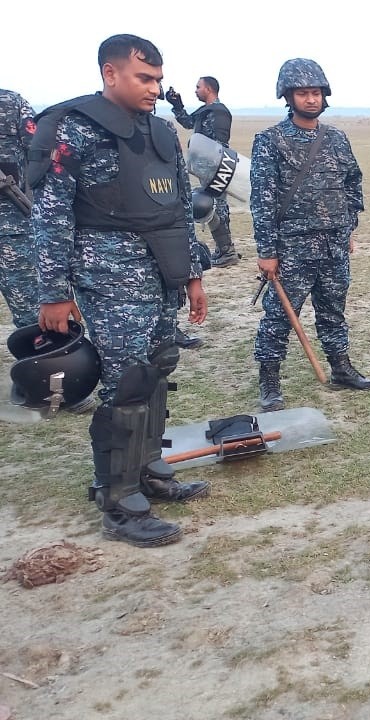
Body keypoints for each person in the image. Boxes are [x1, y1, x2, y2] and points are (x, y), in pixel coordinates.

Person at [30, 34, 211, 547]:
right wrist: (54, 292)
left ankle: (149, 469)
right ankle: (119, 500)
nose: (155, 88)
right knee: (127, 382)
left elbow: (178, 208)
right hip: (107, 277)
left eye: (157, 78)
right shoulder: (75, 129)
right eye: (144, 78)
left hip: (159, 274)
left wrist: (192, 275)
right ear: (111, 74)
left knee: (158, 367)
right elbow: (51, 216)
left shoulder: (159, 131)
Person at [252, 58, 370, 412]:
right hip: (292, 247)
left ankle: (341, 367)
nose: (311, 99)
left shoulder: (337, 138)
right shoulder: (270, 141)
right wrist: (267, 250)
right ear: (288, 97)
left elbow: (353, 181)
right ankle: (270, 381)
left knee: (333, 310)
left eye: (316, 93)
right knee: (279, 315)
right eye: (303, 93)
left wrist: (347, 224)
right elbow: (262, 198)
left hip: (334, 245)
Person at [166, 76, 238, 268]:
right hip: (208, 167)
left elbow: (219, 144)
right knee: (215, 206)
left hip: (216, 167)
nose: (196, 90)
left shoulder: (218, 112)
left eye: (198, 87)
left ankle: (227, 251)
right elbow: (189, 123)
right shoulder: (206, 111)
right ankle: (224, 249)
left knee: (215, 207)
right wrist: (177, 105)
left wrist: (214, 167)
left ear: (208, 89)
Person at [0, 88, 38, 333]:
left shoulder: (10, 103)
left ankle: (43, 367)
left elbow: (41, 151)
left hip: (13, 229)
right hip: (14, 229)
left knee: (32, 316)